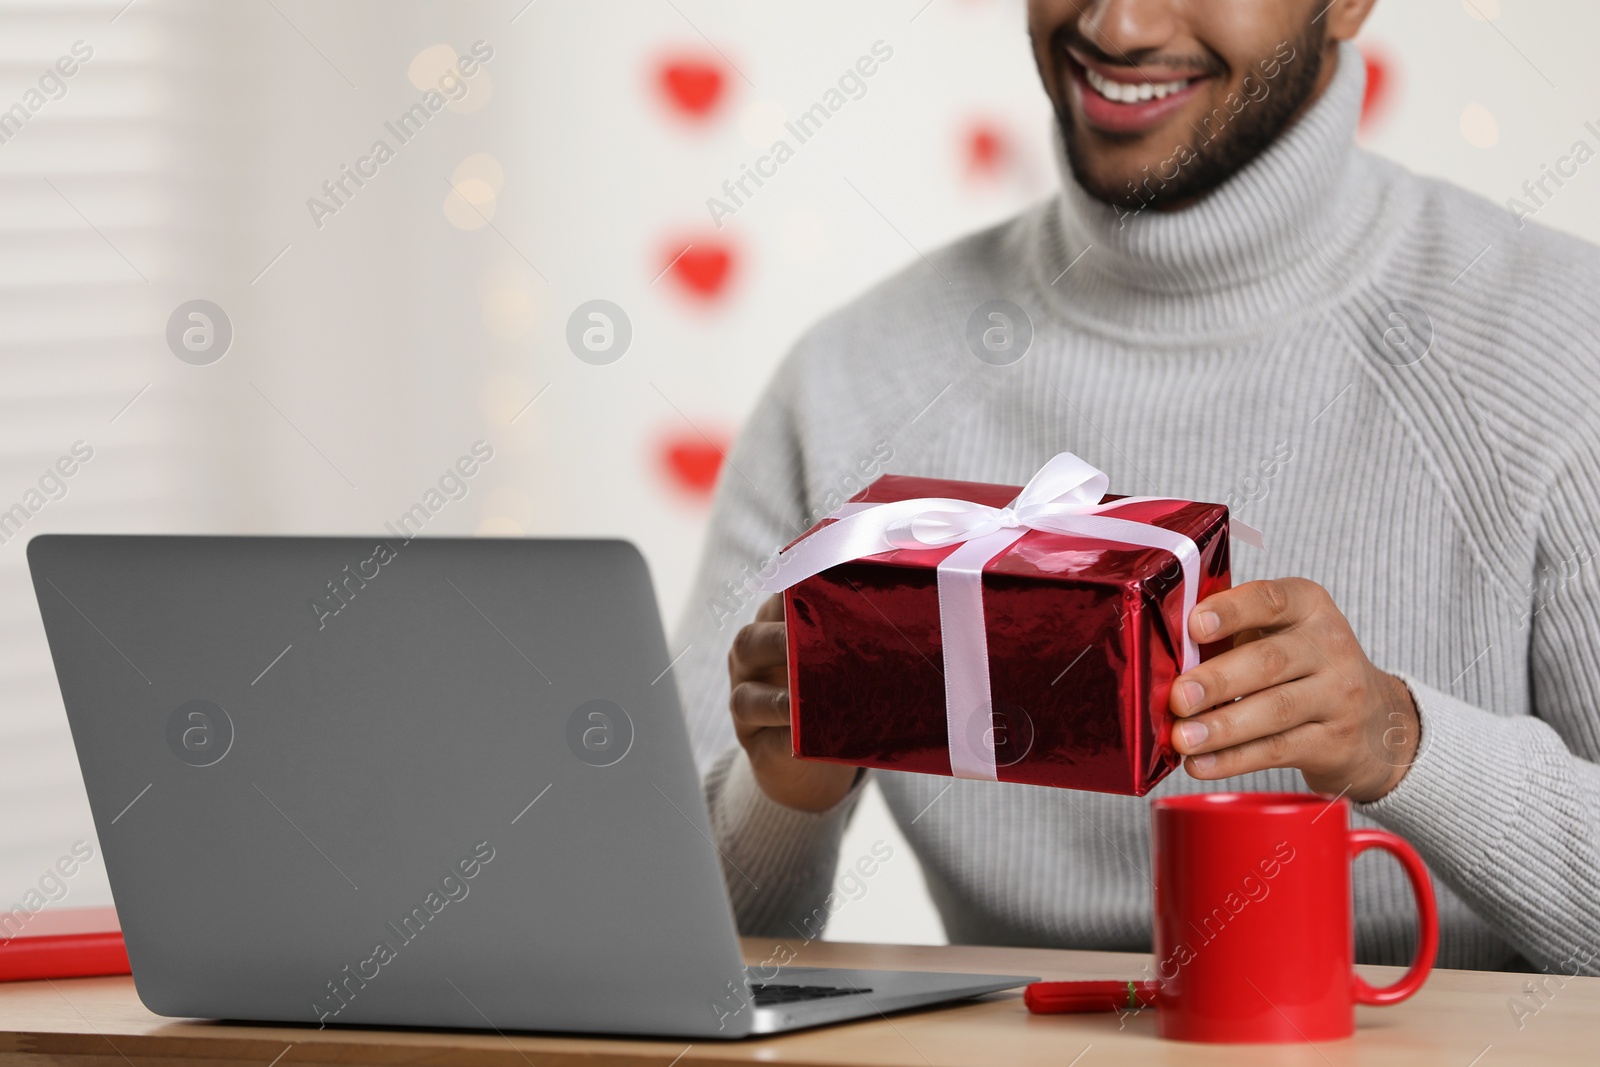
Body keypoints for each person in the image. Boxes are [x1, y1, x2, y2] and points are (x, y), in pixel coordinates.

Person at [672, 0, 1600, 974]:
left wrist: (1402, 742)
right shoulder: (853, 376)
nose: (1116, 28)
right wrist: (779, 793)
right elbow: (643, 945)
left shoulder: (1562, 346)